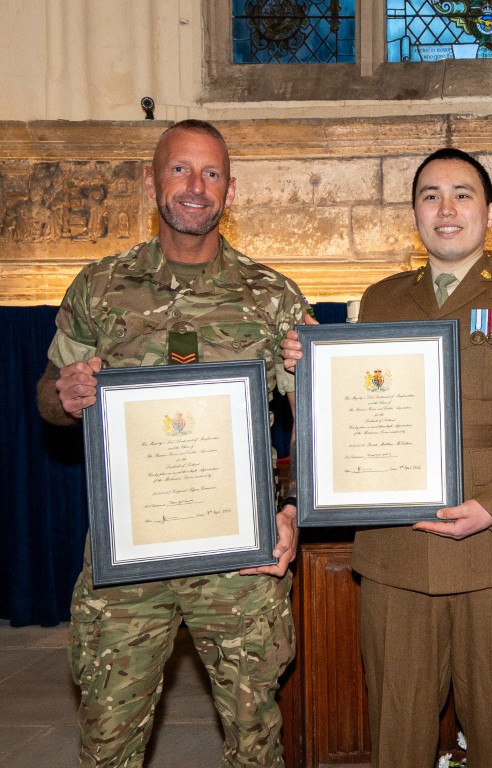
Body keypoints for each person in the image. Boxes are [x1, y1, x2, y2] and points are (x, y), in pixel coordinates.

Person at [283, 147, 492, 768]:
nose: (446, 210)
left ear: (490, 212)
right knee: (397, 734)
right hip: (398, 549)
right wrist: (311, 374)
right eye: (430, 196)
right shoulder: (381, 298)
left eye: (462, 194)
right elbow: (353, 409)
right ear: (414, 214)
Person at [36, 120, 308, 767]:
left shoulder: (271, 297)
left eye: (211, 174)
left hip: (240, 564)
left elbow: (314, 419)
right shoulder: (100, 288)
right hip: (129, 557)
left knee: (255, 744)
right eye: (181, 170)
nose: (195, 187)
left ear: (230, 191)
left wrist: (293, 512)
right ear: (151, 181)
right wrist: (65, 395)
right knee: (108, 741)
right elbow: (49, 395)